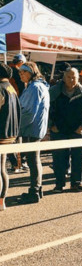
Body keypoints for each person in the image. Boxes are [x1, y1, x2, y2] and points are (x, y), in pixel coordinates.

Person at [49, 67, 82, 192]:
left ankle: (76, 183)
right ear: (64, 78)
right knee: (58, 158)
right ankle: (59, 184)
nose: (71, 80)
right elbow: (44, 108)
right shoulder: (54, 91)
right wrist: (51, 125)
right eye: (68, 77)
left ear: (78, 78)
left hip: (77, 130)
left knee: (78, 157)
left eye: (74, 77)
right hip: (58, 130)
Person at [18, 62, 50, 204]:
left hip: (31, 129)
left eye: (23, 72)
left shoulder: (35, 87)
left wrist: (17, 129)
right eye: (20, 73)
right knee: (34, 159)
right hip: (34, 128)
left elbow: (29, 112)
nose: (21, 75)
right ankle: (37, 189)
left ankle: (35, 191)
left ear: (31, 72)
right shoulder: (36, 86)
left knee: (33, 160)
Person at [0, 63, 21, 211]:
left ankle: (1, 200)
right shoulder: (11, 88)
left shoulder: (0, 89)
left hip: (1, 133)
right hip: (10, 134)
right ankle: (2, 200)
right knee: (2, 168)